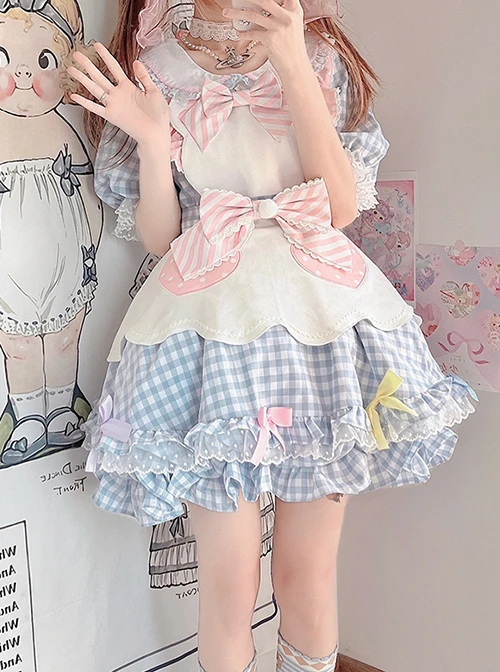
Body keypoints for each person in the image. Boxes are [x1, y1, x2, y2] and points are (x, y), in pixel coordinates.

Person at [68, 0, 476, 670]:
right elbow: (163, 239)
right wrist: (151, 140)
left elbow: (339, 205)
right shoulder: (157, 64)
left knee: (306, 575)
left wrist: (291, 62)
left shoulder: (318, 54)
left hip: (320, 325)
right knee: (229, 587)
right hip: (208, 331)